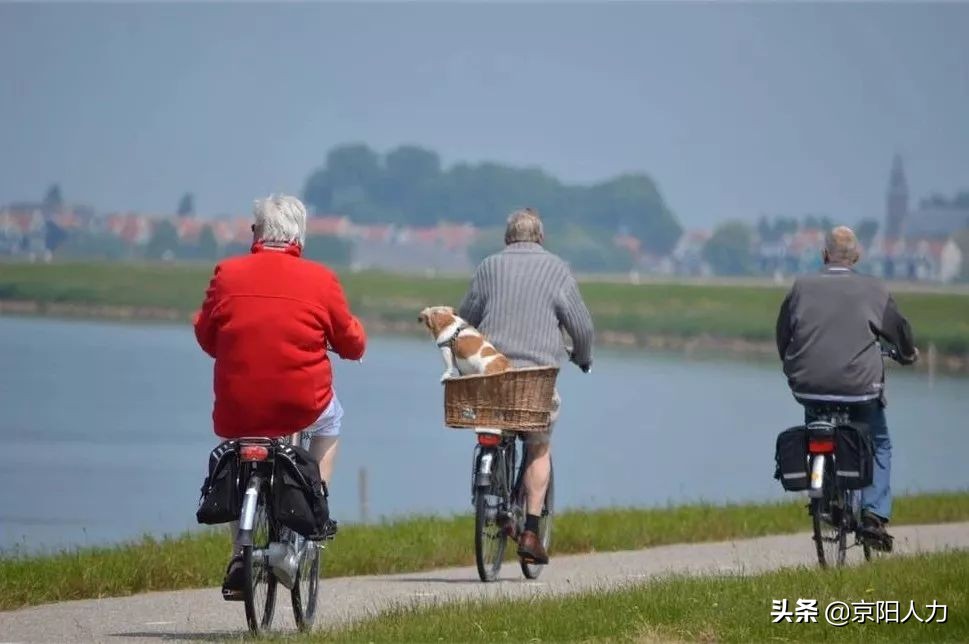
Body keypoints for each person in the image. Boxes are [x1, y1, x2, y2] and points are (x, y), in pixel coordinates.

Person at [194, 194, 366, 595]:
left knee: (240, 452)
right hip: (300, 403)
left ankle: (241, 553)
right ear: (299, 238)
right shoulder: (321, 280)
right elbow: (352, 341)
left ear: (257, 234)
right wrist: (349, 343)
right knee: (332, 421)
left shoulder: (227, 273)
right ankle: (314, 507)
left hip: (238, 406)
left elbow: (206, 335)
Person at [459, 207, 594, 564]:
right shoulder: (558, 270)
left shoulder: (488, 267)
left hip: (492, 380)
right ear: (540, 238)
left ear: (507, 238)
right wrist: (583, 356)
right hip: (536, 383)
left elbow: (464, 320)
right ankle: (532, 531)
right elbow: (581, 328)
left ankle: (493, 494)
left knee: (495, 427)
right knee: (538, 448)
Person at [775, 226, 917, 542]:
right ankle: (873, 514)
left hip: (809, 386)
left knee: (817, 424)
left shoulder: (801, 286)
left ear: (824, 255)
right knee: (878, 442)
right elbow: (900, 331)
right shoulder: (874, 289)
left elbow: (783, 333)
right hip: (860, 389)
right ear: (857, 256)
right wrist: (908, 354)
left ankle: (825, 493)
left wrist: (790, 364)